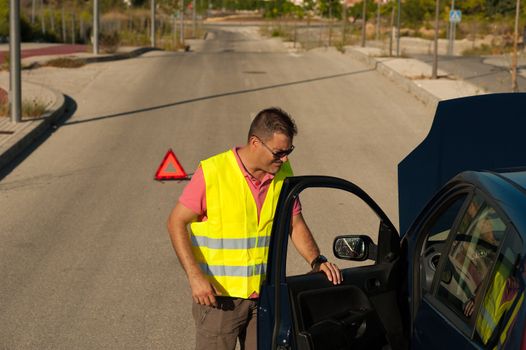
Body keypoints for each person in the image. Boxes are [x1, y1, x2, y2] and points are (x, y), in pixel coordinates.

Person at [167, 107, 342, 350]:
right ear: (255, 143)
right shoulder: (213, 172)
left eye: (289, 151)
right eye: (279, 152)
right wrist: (195, 277)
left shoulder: (282, 174)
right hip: (219, 301)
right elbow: (176, 221)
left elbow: (295, 222)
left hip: (264, 298)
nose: (285, 159)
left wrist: (316, 260)